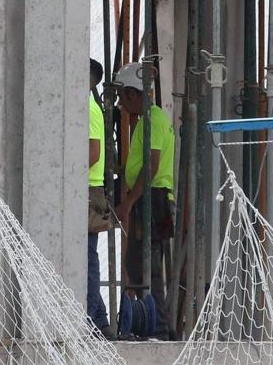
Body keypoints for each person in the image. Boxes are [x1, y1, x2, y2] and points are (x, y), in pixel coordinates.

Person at [113, 62, 176, 339]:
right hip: (150, 196)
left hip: (153, 198)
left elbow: (151, 165)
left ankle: (158, 327)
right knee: (139, 261)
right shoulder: (150, 119)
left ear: (132, 94)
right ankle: (155, 323)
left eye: (121, 96)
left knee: (144, 262)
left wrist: (128, 201)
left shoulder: (153, 119)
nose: (119, 103)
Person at [87, 58, 112, 338]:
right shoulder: (88, 105)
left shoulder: (88, 108)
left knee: (86, 258)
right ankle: (99, 318)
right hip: (88, 189)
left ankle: (92, 317)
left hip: (88, 190)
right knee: (85, 256)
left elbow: (93, 152)